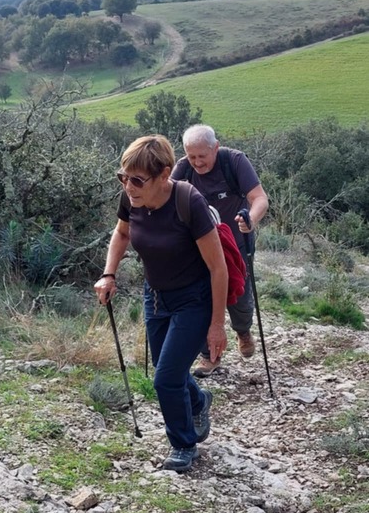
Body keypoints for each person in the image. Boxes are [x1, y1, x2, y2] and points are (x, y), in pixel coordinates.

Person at [94, 135, 227, 473]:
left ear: (164, 174)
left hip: (194, 300)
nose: (128, 186)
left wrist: (216, 325)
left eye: (137, 180)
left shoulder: (188, 201)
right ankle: (198, 400)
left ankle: (183, 445)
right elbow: (122, 233)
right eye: (123, 178)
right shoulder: (132, 198)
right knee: (167, 370)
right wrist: (109, 274)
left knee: (166, 379)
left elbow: (218, 267)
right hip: (155, 296)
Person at [172, 124, 269, 377]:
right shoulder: (183, 168)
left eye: (202, 156)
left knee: (240, 297)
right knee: (201, 299)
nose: (197, 163)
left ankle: (243, 330)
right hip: (200, 247)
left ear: (215, 147)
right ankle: (210, 356)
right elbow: (165, 196)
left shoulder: (234, 161)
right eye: (191, 156)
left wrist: (251, 220)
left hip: (236, 244)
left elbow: (259, 198)